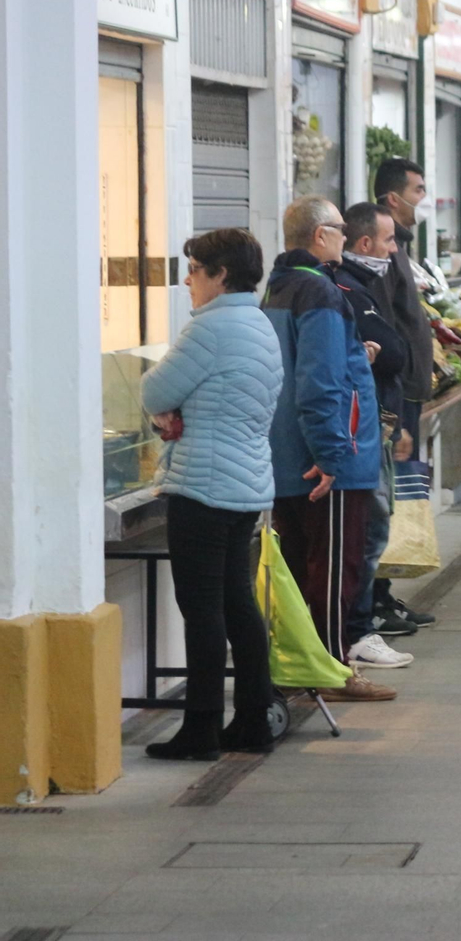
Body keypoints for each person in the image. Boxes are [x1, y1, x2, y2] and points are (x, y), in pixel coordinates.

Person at [139, 228, 284, 760]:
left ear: (221, 275)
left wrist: (165, 412)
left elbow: (155, 389)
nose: (189, 280)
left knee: (201, 611)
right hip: (246, 483)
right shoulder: (260, 325)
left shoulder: (211, 329)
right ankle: (252, 719)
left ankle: (200, 729)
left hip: (202, 485)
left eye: (196, 270)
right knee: (237, 604)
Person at [264, 196, 394, 703]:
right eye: (339, 229)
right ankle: (335, 670)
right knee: (335, 570)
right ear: (320, 236)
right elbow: (317, 384)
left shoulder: (277, 287)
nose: (345, 237)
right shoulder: (319, 291)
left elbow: (303, 364)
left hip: (287, 456)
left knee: (299, 569)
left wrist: (352, 354)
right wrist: (333, 455)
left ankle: (298, 668)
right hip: (326, 461)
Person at [333, 203, 418, 671]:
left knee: (372, 529)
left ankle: (357, 625)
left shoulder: (363, 285)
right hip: (359, 432)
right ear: (362, 244)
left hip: (374, 424)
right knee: (369, 530)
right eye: (388, 241)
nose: (392, 250)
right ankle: (356, 630)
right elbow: (391, 352)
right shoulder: (345, 289)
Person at [373, 158, 438, 466]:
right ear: (394, 199)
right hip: (400, 391)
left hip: (409, 390)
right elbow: (384, 325)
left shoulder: (400, 244)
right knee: (400, 492)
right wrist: (395, 416)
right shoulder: (385, 250)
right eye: (419, 190)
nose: (425, 199)